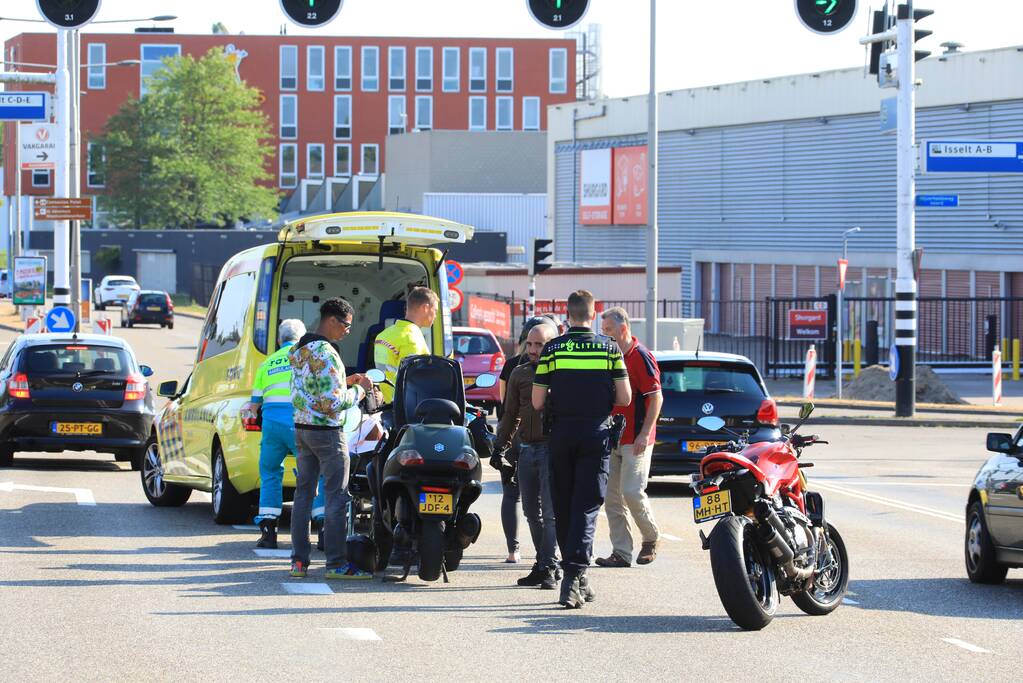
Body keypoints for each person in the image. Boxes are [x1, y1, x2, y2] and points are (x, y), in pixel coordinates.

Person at [532, 290, 631, 609]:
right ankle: (574, 576)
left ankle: (578, 576)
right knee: (586, 506)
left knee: (563, 506)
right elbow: (625, 398)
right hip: (595, 433)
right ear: (593, 314)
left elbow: (536, 402)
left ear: (568, 313)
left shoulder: (553, 348)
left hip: (560, 433)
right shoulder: (609, 348)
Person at [288, 297, 373, 580]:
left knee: (303, 495)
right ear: (332, 320)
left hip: (302, 429)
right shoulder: (326, 352)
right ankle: (337, 563)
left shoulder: (300, 348)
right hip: (327, 433)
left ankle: (299, 562)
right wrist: (361, 392)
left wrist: (345, 380)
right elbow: (331, 403)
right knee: (337, 497)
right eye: (346, 325)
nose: (348, 331)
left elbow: (313, 388)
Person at [246, 318, 326, 549]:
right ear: (302, 339)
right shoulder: (307, 357)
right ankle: (322, 529)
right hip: (300, 423)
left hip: (272, 425)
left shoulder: (267, 363)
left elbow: (254, 404)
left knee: (270, 472)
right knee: (317, 473)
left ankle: (268, 532)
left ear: (279, 339)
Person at [596, 307, 663, 568]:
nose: (605, 336)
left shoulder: (641, 356)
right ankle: (621, 552)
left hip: (636, 438)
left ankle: (651, 537)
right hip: (612, 438)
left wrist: (645, 434)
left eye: (609, 331)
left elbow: (656, 397)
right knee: (611, 497)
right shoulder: (608, 356)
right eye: (603, 332)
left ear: (623, 329)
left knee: (631, 491)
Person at [495, 321, 560, 588]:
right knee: (532, 512)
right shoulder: (519, 373)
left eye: (540, 344)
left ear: (552, 345)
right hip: (526, 449)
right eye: (530, 344)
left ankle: (548, 565)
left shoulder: (562, 374)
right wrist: (499, 446)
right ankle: (544, 562)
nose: (533, 350)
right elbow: (510, 414)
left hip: (551, 450)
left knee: (550, 513)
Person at [374, 286, 438, 403]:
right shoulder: (412, 337)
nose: (435, 316)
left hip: (387, 404)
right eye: (435, 311)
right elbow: (414, 381)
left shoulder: (383, 335)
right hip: (406, 408)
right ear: (425, 308)